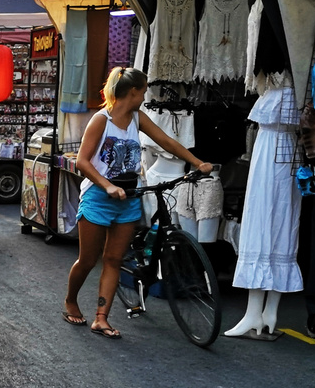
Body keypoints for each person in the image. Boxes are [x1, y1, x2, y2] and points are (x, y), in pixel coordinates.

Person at [68, 66, 212, 339]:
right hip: (99, 196)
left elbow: (167, 141)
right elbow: (82, 162)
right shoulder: (102, 120)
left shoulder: (137, 118)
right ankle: (71, 299)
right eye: (143, 91)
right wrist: (108, 186)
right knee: (87, 260)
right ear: (132, 92)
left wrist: (197, 162)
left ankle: (101, 318)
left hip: (129, 196)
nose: (145, 96)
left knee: (113, 259)